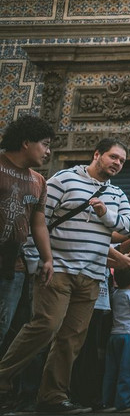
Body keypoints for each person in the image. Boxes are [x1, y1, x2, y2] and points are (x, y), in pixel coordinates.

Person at [0, 137, 130, 414]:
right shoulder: (64, 180)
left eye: (122, 161)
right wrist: (37, 260)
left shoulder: (117, 194)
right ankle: (3, 379)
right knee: (46, 326)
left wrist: (106, 214)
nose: (117, 164)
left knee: (72, 337)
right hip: (58, 269)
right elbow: (37, 219)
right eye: (113, 157)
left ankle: (53, 396)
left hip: (91, 275)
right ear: (97, 154)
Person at [0, 114, 55, 342]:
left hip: (13, 264)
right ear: (26, 143)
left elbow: (38, 223)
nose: (48, 152)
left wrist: (48, 259)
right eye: (45, 144)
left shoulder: (39, 181)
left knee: (3, 329)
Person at [100, 267, 130, 413]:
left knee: (110, 370)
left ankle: (106, 401)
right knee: (127, 369)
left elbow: (129, 283)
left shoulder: (115, 294)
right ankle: (123, 402)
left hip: (114, 335)